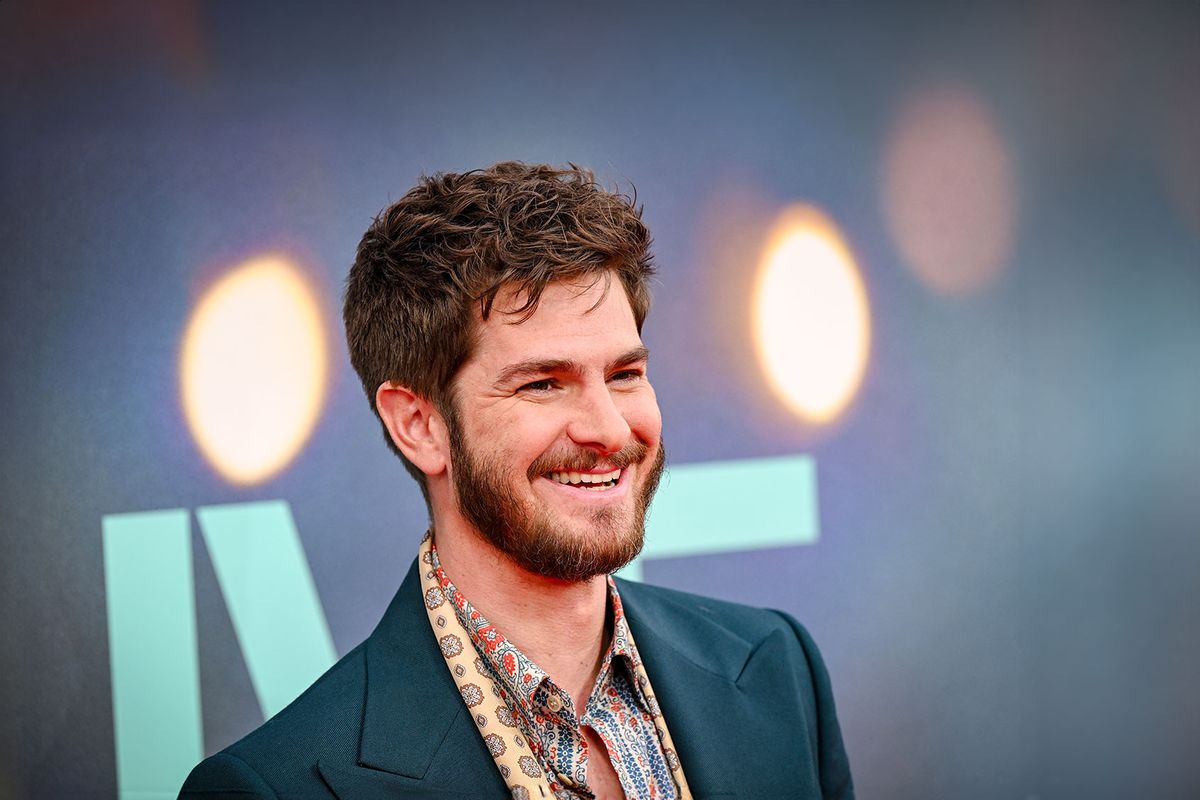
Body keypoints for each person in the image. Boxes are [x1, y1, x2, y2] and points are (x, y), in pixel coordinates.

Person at [180, 162, 854, 799]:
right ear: (418, 424)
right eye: (543, 384)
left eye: (625, 374)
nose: (611, 430)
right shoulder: (279, 788)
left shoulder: (776, 669)